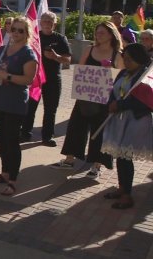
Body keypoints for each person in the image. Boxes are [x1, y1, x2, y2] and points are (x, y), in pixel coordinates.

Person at [51, 21, 123, 178]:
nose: (98, 35)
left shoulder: (117, 55)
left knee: (100, 132)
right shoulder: (89, 49)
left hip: (104, 100)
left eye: (102, 32)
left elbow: (120, 79)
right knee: (76, 127)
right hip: (85, 97)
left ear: (111, 34)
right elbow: (80, 71)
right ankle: (70, 160)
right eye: (97, 32)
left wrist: (110, 70)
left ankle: (97, 165)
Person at [0, 17, 38, 196]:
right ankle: (5, 172)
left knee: (12, 141)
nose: (16, 33)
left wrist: (6, 76)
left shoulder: (28, 53)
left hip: (15, 102)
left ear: (27, 33)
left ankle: (13, 180)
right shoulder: (2, 49)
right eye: (13, 29)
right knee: (1, 139)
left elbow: (28, 80)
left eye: (20, 30)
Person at [101, 43, 153, 209]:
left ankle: (127, 196)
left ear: (139, 60)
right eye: (125, 58)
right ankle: (122, 188)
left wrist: (121, 105)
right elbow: (113, 91)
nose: (126, 62)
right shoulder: (124, 73)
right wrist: (111, 104)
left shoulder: (145, 77)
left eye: (130, 59)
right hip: (118, 120)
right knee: (119, 155)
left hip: (135, 122)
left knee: (125, 157)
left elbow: (145, 101)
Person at [20, 11, 71, 146]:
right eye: (45, 21)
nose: (47, 24)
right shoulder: (34, 37)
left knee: (50, 109)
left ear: (54, 24)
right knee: (30, 107)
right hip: (35, 79)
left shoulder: (60, 39)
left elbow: (67, 60)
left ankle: (47, 137)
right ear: (40, 23)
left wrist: (55, 57)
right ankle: (25, 133)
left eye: (50, 21)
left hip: (53, 79)